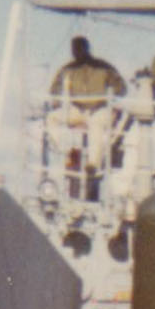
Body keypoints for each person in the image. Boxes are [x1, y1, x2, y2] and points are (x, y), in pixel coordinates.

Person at [47, 35, 126, 197]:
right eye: (74, 50)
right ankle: (65, 150)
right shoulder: (67, 70)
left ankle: (93, 164)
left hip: (100, 110)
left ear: (86, 48)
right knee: (52, 118)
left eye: (79, 49)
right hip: (78, 110)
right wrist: (58, 100)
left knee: (96, 125)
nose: (76, 53)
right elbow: (54, 90)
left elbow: (122, 88)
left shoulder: (105, 68)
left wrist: (110, 99)